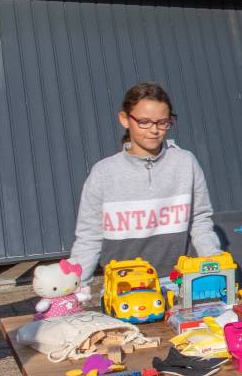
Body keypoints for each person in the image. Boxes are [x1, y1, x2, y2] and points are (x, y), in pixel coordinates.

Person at [69, 83, 222, 283]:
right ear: (125, 119)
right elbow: (89, 238)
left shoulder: (186, 162)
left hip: (178, 281)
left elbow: (200, 220)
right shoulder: (103, 173)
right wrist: (74, 287)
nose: (154, 130)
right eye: (144, 122)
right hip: (122, 286)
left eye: (162, 122)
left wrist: (215, 264)